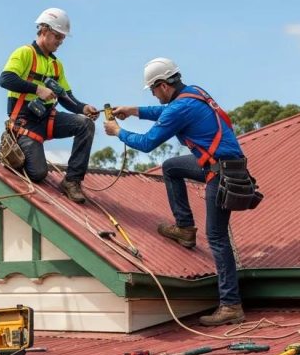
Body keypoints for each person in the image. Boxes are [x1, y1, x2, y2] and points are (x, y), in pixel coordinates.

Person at [104, 58, 246, 326]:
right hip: (224, 163)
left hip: (221, 172)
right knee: (171, 167)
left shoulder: (178, 108)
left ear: (163, 86)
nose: (155, 95)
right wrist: (134, 110)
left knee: (216, 237)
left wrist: (118, 131)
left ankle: (231, 305)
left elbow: (147, 143)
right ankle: (185, 228)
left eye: (154, 90)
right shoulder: (194, 93)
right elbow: (166, 113)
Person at [0, 7, 99, 203]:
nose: (60, 42)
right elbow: (5, 79)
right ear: (44, 30)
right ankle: (13, 148)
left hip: (47, 119)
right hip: (25, 123)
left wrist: (82, 108)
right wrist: (37, 90)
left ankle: (72, 181)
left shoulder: (56, 65)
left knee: (85, 124)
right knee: (38, 174)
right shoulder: (25, 53)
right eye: (57, 36)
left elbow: (65, 96)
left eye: (62, 38)